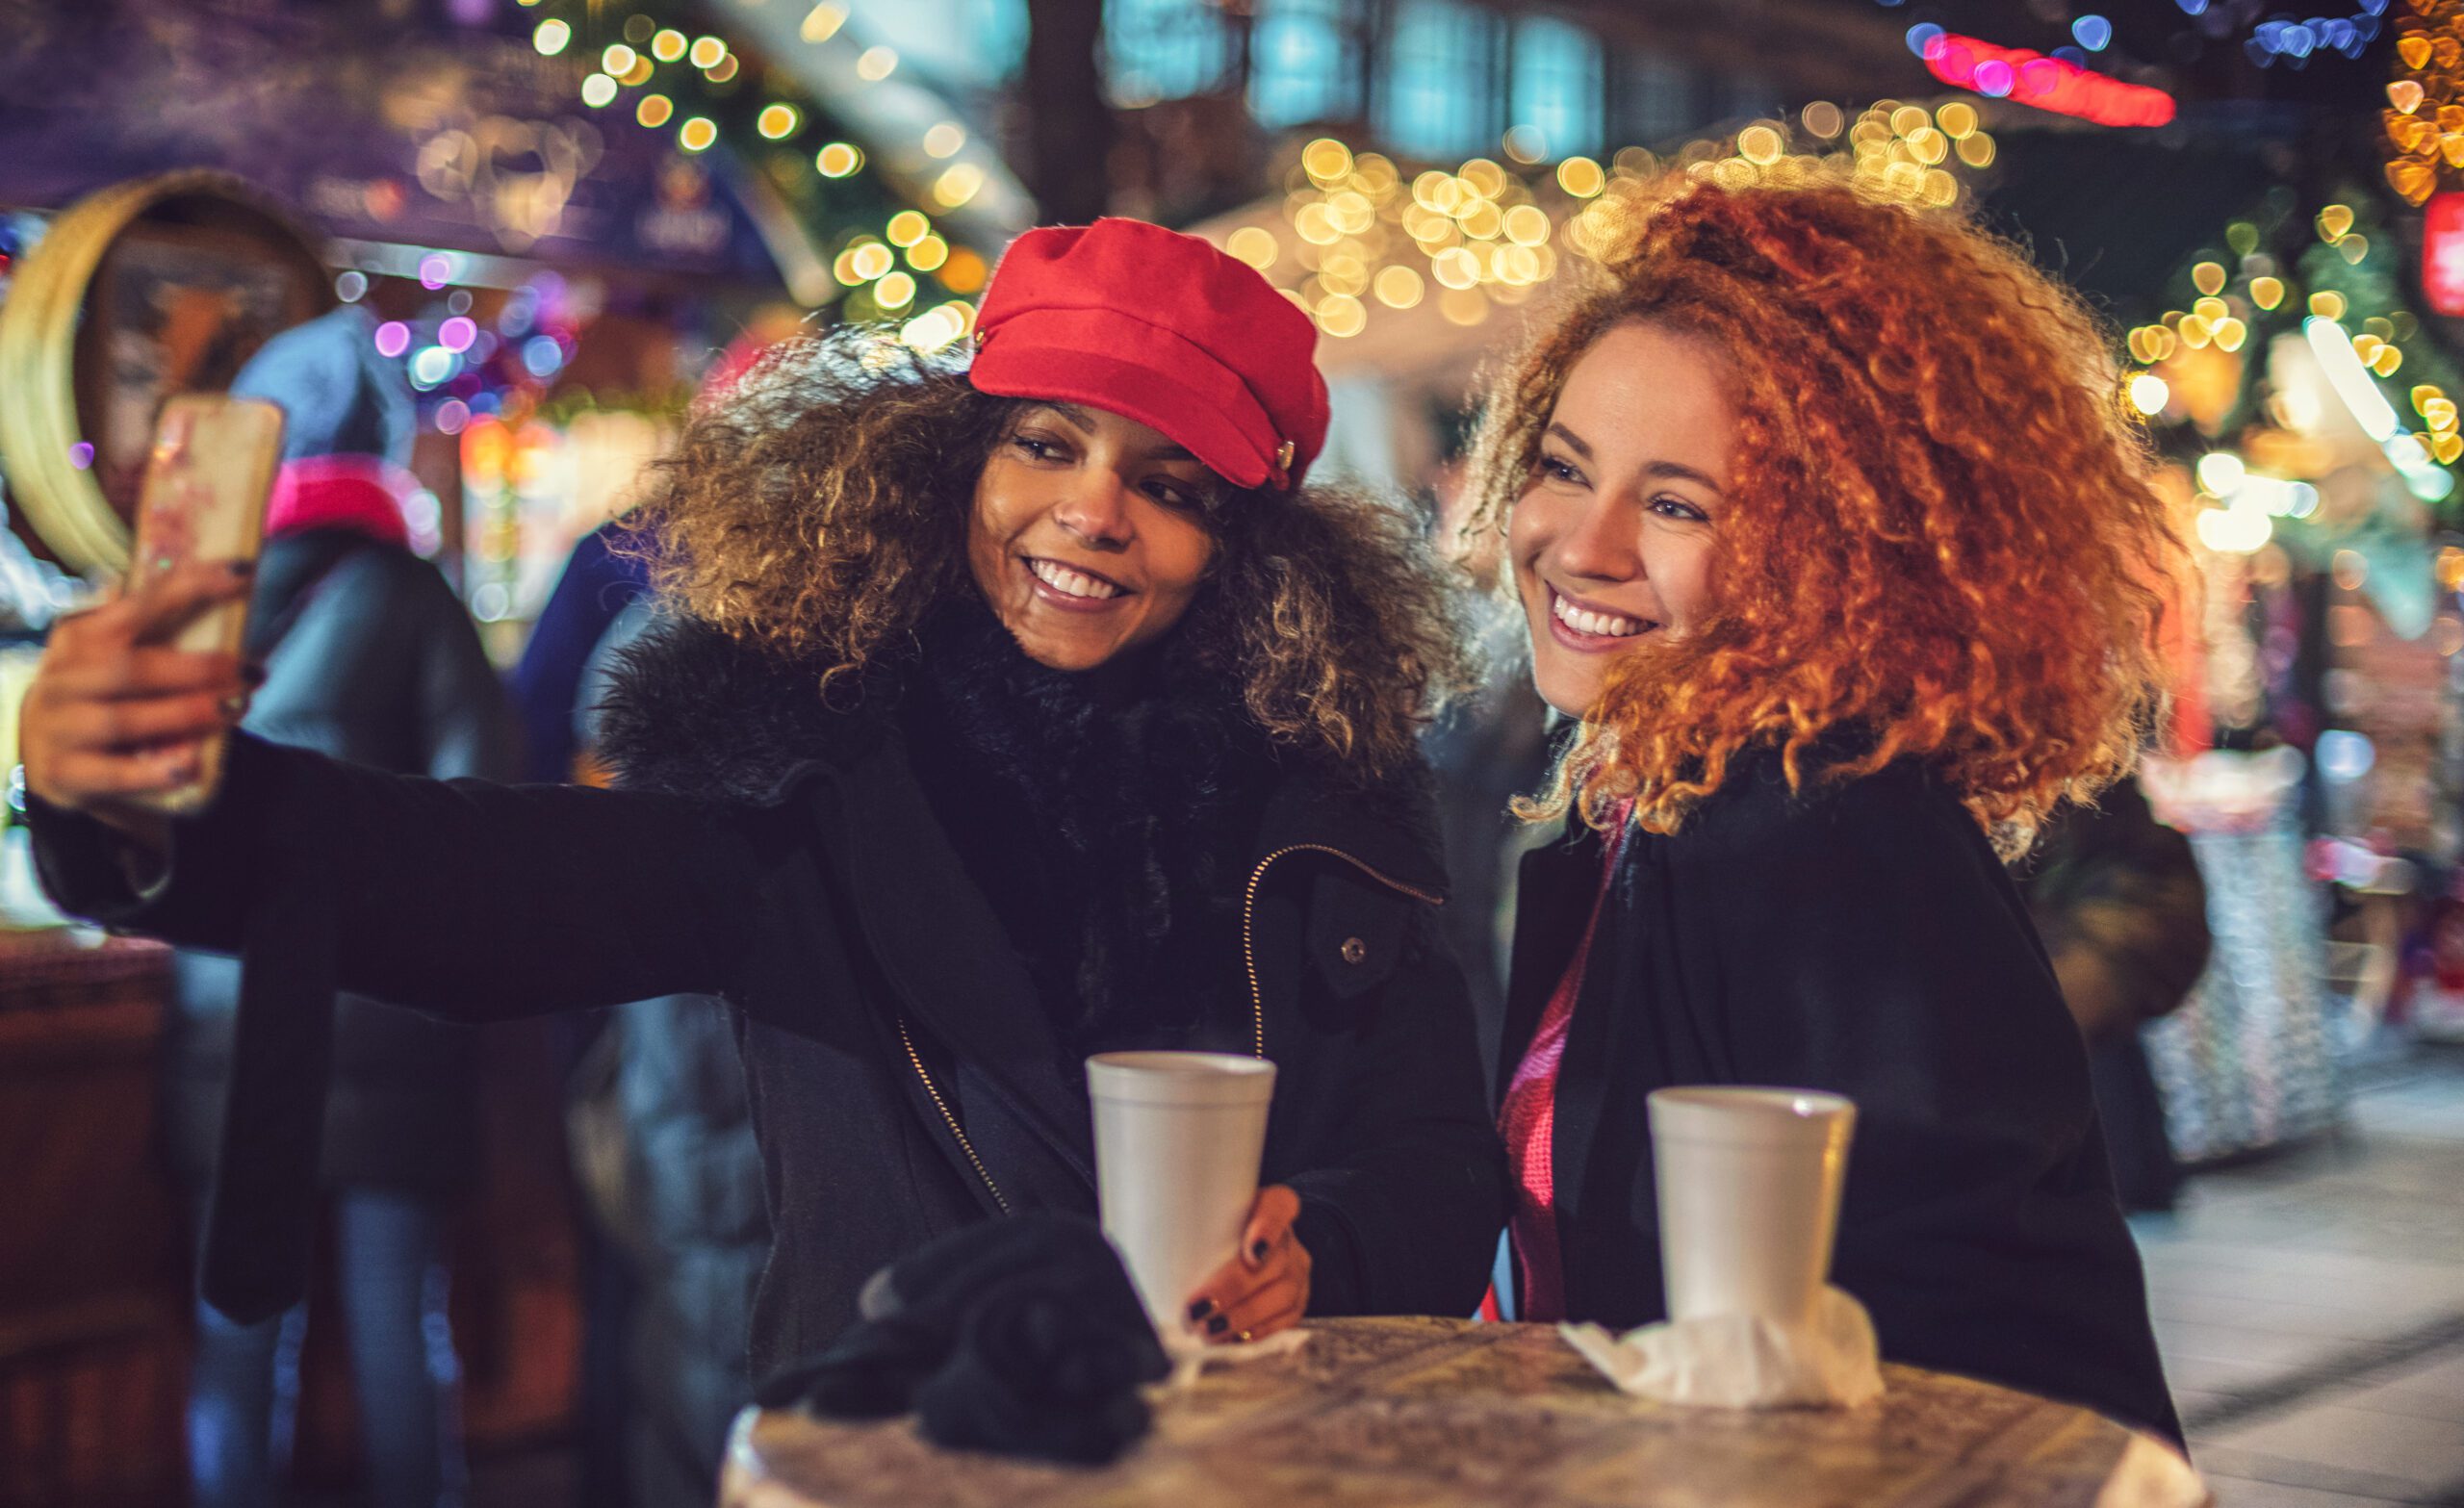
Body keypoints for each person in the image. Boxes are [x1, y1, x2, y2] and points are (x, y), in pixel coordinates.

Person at [18, 219, 1506, 1387]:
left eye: (1171, 483)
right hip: (895, 1451)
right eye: (1046, 442)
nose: (1093, 510)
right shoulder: (816, 766)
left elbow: (1439, 1158)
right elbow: (480, 885)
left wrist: (1337, 1243)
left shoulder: (1330, 801)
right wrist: (159, 813)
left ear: (1247, 551)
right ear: (950, 464)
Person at [1468, 182, 2182, 1441]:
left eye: (1679, 502)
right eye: (1564, 468)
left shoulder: (1815, 819)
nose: (1583, 541)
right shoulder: (1646, 799)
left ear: (1843, 548)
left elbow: (1951, 1329)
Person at [170, 305, 518, 1508]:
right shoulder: (415, 602)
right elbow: (495, 816)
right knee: (395, 1324)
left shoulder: (195, 605)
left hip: (227, 1020)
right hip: (385, 1021)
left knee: (236, 1334)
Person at [2016, 775, 2212, 1215]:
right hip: (2108, 910)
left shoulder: (2079, 787)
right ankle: (2137, 1178)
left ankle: (2124, 1181)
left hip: (2110, 910)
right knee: (2104, 1053)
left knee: (2077, 1045)